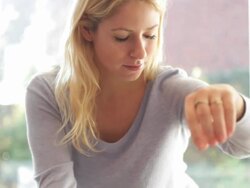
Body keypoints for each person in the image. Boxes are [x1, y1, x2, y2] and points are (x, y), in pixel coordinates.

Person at [25, 0, 250, 187]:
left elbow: (243, 146)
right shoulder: (48, 93)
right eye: (122, 37)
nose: (140, 52)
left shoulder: (170, 89)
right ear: (86, 31)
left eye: (150, 36)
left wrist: (237, 107)